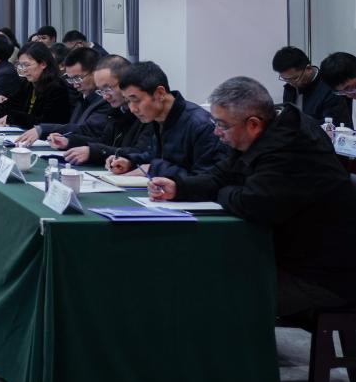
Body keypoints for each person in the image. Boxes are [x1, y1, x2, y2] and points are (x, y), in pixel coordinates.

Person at [149, 77, 356, 321]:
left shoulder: (291, 148)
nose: (216, 132)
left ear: (253, 124)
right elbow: (220, 175)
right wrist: (179, 188)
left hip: (320, 275)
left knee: (208, 294)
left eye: (222, 125)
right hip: (284, 258)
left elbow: (253, 204)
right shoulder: (259, 134)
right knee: (195, 273)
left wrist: (222, 192)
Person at [106, 61, 224, 178]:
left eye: (136, 100)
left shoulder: (201, 125)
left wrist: (155, 169)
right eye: (128, 101)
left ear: (160, 93)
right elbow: (155, 156)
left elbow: (208, 178)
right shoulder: (157, 117)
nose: (132, 109)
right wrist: (129, 161)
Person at [50, 55, 157, 166]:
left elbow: (141, 152)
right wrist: (69, 141)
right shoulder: (117, 110)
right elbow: (104, 142)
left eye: (108, 89)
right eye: (101, 91)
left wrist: (94, 151)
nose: (105, 97)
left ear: (125, 83)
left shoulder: (147, 112)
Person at [15, 47, 112, 145]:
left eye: (78, 78)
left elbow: (86, 130)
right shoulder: (82, 96)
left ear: (96, 73)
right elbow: (73, 127)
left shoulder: (106, 100)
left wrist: (44, 129)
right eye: (71, 79)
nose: (75, 85)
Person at [0, 41, 71, 127]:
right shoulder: (27, 84)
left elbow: (46, 123)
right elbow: (6, 107)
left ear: (43, 64)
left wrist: (13, 117)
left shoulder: (57, 88)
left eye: (27, 65)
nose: (24, 70)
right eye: (21, 65)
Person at [273, 46, 351, 127]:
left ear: (308, 69)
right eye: (285, 79)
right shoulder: (290, 88)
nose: (291, 83)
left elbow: (332, 125)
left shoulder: (329, 87)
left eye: (294, 78)